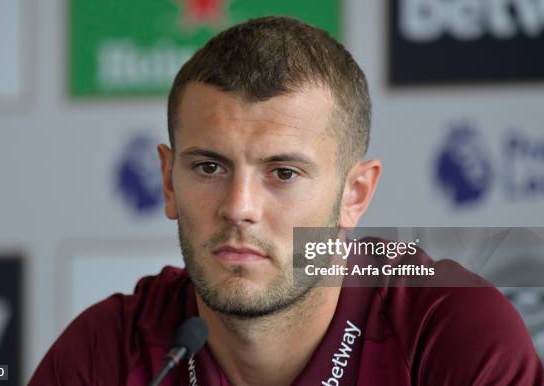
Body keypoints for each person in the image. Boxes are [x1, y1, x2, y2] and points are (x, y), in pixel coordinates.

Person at [29, 16, 543, 385]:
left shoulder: (448, 333)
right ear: (168, 181)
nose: (240, 207)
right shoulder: (109, 350)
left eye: (283, 173)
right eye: (209, 167)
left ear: (354, 194)